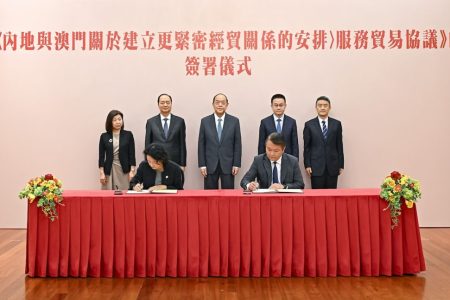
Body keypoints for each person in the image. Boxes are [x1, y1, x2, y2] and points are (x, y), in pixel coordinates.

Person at [198, 93, 242, 189]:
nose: (220, 105)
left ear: (227, 105)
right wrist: (202, 164)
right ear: (213, 104)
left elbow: (237, 144)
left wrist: (236, 163)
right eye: (217, 102)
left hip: (228, 164)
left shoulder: (234, 121)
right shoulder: (204, 121)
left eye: (223, 102)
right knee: (209, 197)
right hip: (210, 165)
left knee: (228, 197)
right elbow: (201, 145)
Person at [303, 96, 344, 189]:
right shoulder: (309, 125)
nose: (322, 108)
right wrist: (307, 165)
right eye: (320, 105)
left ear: (329, 107)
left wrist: (341, 164)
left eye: (325, 105)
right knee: (317, 197)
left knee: (332, 196)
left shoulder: (337, 124)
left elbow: (339, 145)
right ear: (316, 107)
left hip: (333, 166)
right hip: (315, 167)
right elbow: (307, 147)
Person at [145, 94, 187, 170]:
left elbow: (182, 145)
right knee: (158, 182)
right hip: (156, 162)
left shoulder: (180, 121)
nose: (165, 105)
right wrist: (148, 163)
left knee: (174, 182)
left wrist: (183, 164)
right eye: (162, 102)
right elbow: (148, 144)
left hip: (175, 162)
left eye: (168, 102)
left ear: (171, 104)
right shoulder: (151, 122)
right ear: (158, 104)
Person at [98, 110, 136, 190]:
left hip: (124, 169)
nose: (118, 122)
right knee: (108, 195)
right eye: (114, 120)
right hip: (109, 169)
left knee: (124, 194)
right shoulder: (104, 136)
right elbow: (101, 156)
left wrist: (132, 171)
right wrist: (101, 173)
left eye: (119, 119)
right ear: (110, 122)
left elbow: (132, 154)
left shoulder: (128, 135)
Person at [258, 94, 299, 158]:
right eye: (276, 105)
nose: (278, 107)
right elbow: (261, 145)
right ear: (272, 106)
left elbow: (295, 145)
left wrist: (295, 161)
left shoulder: (292, 122)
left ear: (285, 106)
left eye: (281, 105)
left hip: (288, 160)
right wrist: (261, 163)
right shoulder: (264, 122)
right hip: (270, 159)